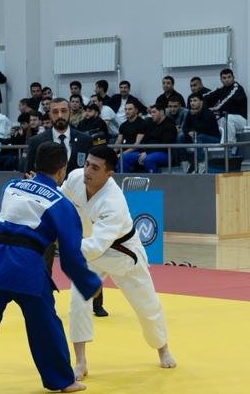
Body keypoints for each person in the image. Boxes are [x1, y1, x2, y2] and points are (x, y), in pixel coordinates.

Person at [0, 142, 102, 394]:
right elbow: (70, 256)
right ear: (62, 170)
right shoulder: (62, 205)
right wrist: (89, 283)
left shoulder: (11, 186)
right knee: (45, 326)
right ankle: (62, 380)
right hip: (26, 268)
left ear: (34, 164)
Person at [62, 144, 176, 376]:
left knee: (146, 306)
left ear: (109, 173)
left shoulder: (113, 202)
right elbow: (58, 201)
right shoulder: (75, 178)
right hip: (87, 250)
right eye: (87, 164)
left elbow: (97, 246)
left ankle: (162, 348)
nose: (87, 171)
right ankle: (80, 362)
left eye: (95, 168)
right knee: (77, 302)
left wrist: (61, 243)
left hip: (122, 254)